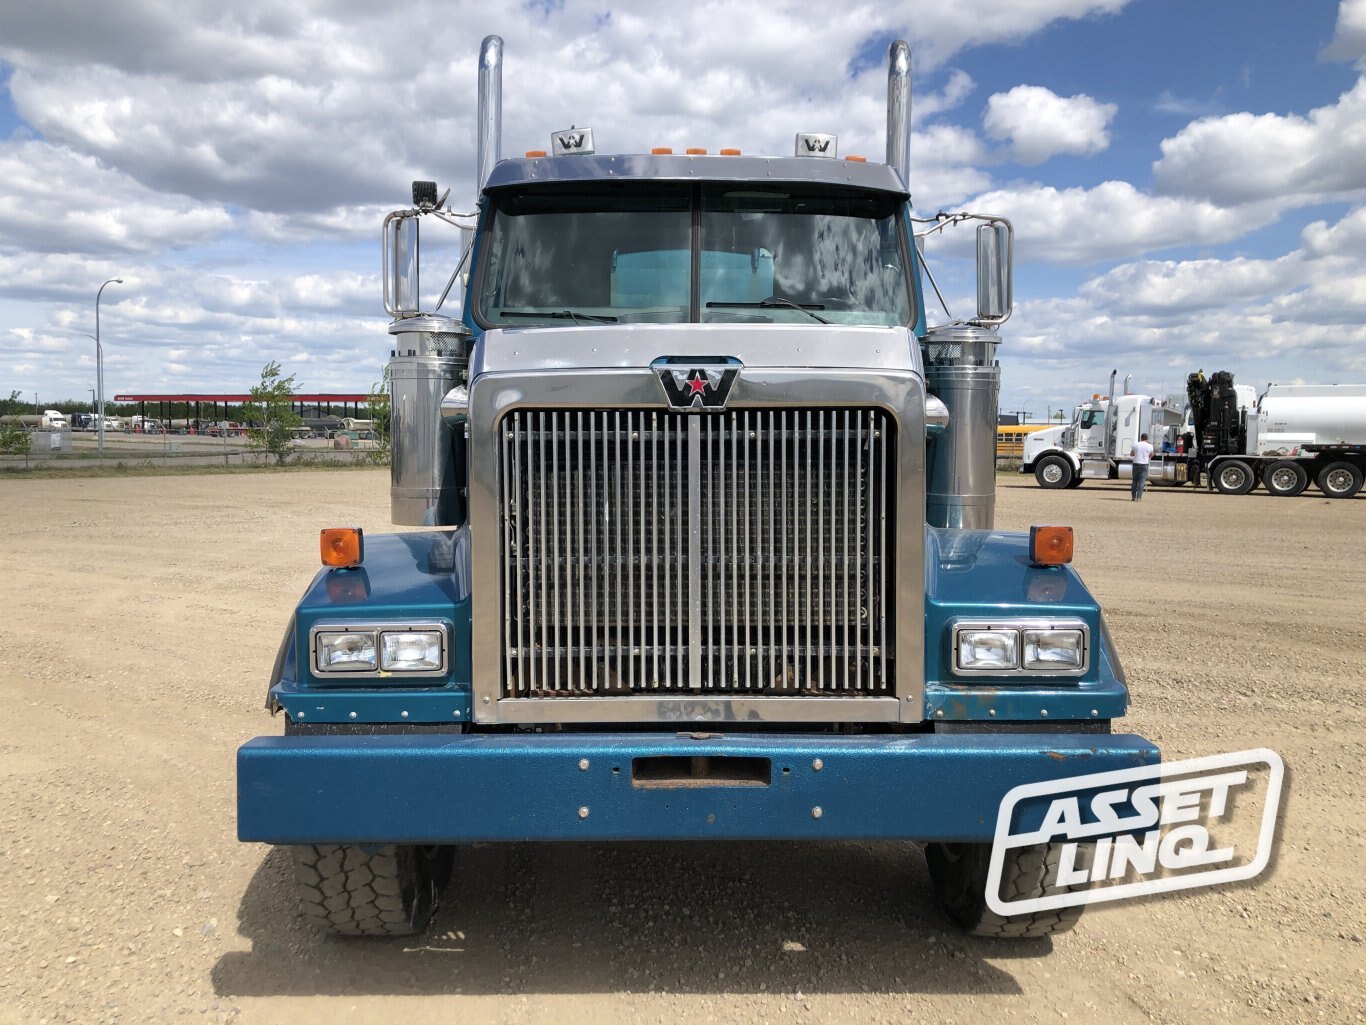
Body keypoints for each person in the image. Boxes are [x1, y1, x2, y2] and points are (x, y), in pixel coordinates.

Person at [1129, 432, 1154, 501]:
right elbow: (1151, 455)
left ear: (1141, 438)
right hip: (1144, 465)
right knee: (1141, 482)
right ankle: (1139, 498)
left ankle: (1133, 497)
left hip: (1136, 464)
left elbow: (1131, 454)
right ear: (1147, 438)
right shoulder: (1150, 446)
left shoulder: (1136, 444)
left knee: (1134, 481)